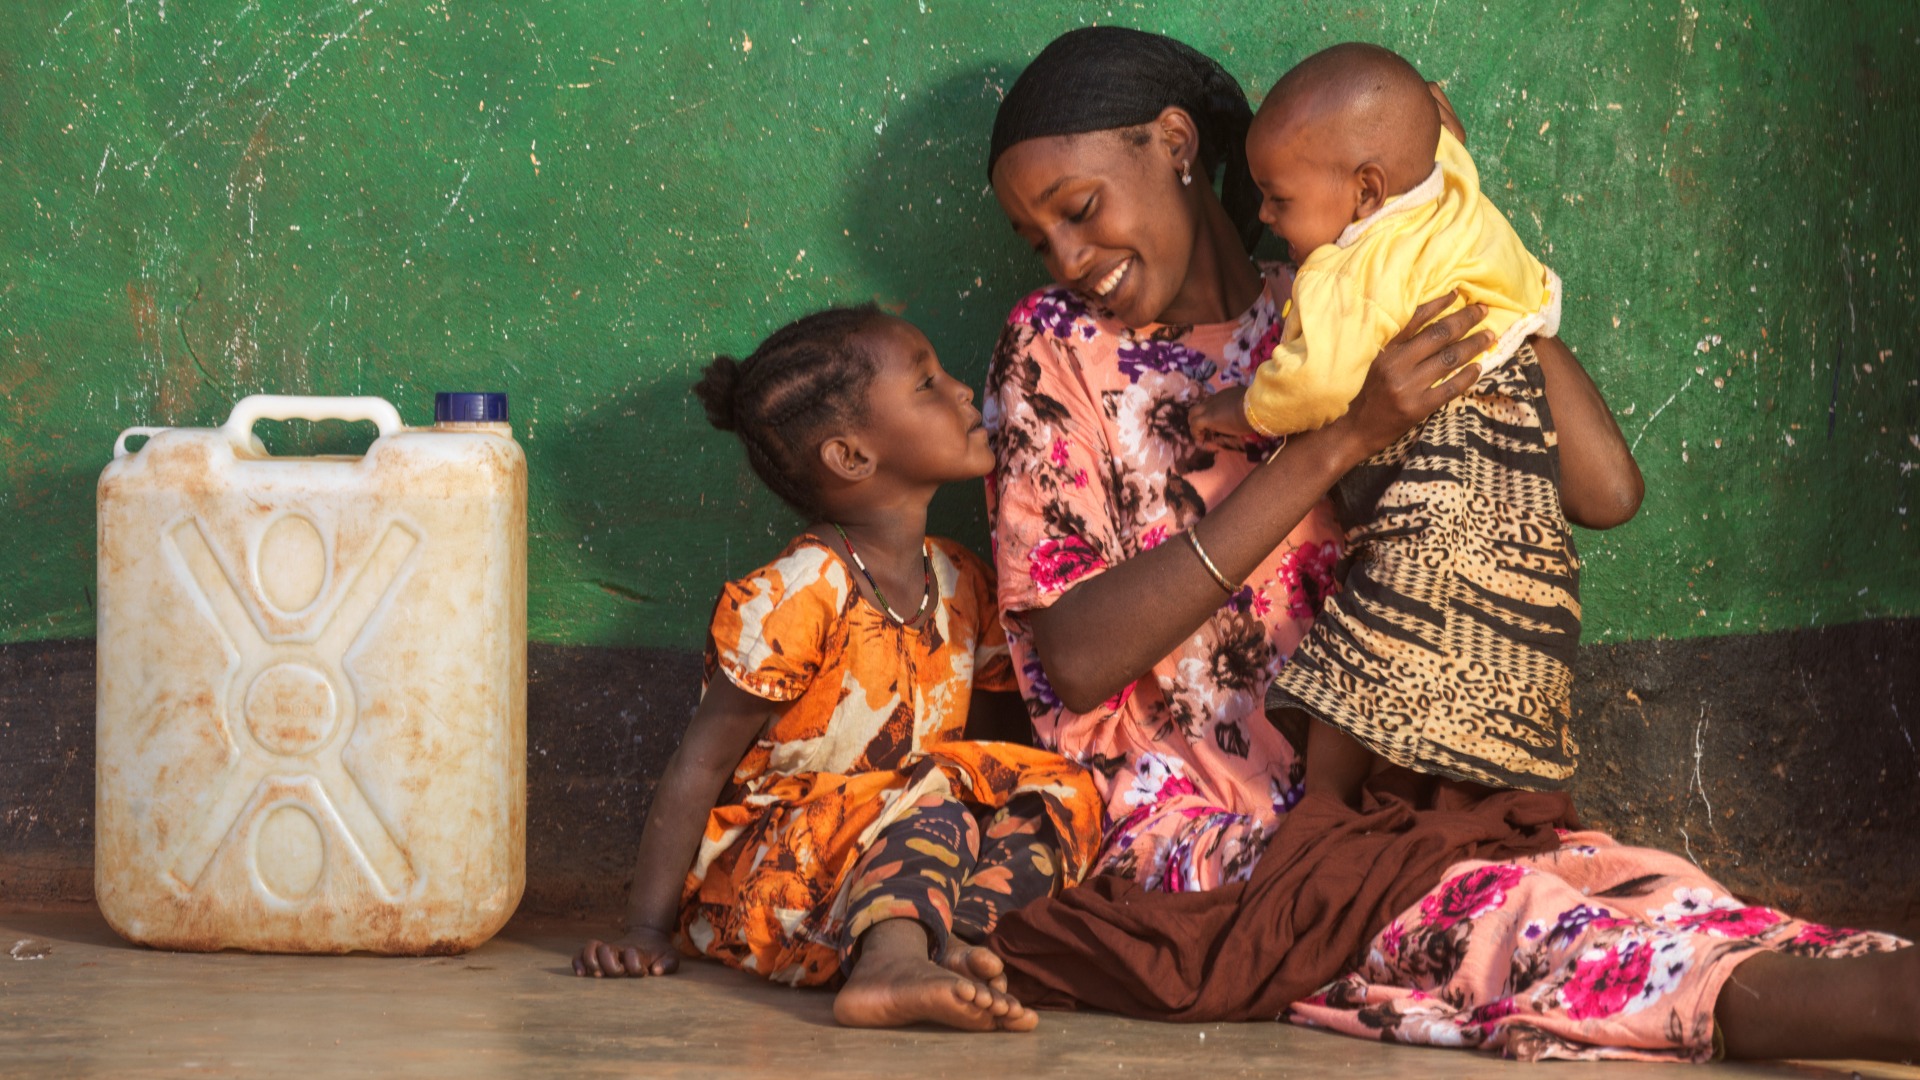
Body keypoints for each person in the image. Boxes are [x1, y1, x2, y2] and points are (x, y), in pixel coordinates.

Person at [982, 25, 1915, 1063]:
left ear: (1174, 143)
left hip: (1416, 777)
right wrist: (1345, 438)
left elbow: (1604, 488)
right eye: (1041, 240)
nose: (1071, 259)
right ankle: (1822, 1013)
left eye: (1078, 211)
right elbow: (1073, 659)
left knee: (1635, 885)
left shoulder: (1344, 291)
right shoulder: (1053, 351)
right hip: (1201, 819)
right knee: (1493, 919)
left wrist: (1459, 238)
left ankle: (1850, 978)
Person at [571, 306, 1105, 1033]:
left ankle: (952, 943)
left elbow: (984, 761)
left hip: (913, 852)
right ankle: (888, 966)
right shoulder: (798, 592)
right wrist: (645, 931)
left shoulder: (959, 580)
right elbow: (697, 768)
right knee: (940, 795)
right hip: (778, 885)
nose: (958, 392)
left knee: (1057, 790)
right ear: (851, 456)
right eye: (926, 383)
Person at [1188, 42, 1581, 806]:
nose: (1264, 216)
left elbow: (1314, 387)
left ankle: (1324, 825)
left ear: (1366, 192)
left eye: (1277, 197)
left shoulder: (1340, 273)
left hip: (1432, 529)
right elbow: (1448, 155)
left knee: (1352, 682)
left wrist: (1230, 409)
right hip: (1528, 525)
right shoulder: (1455, 191)